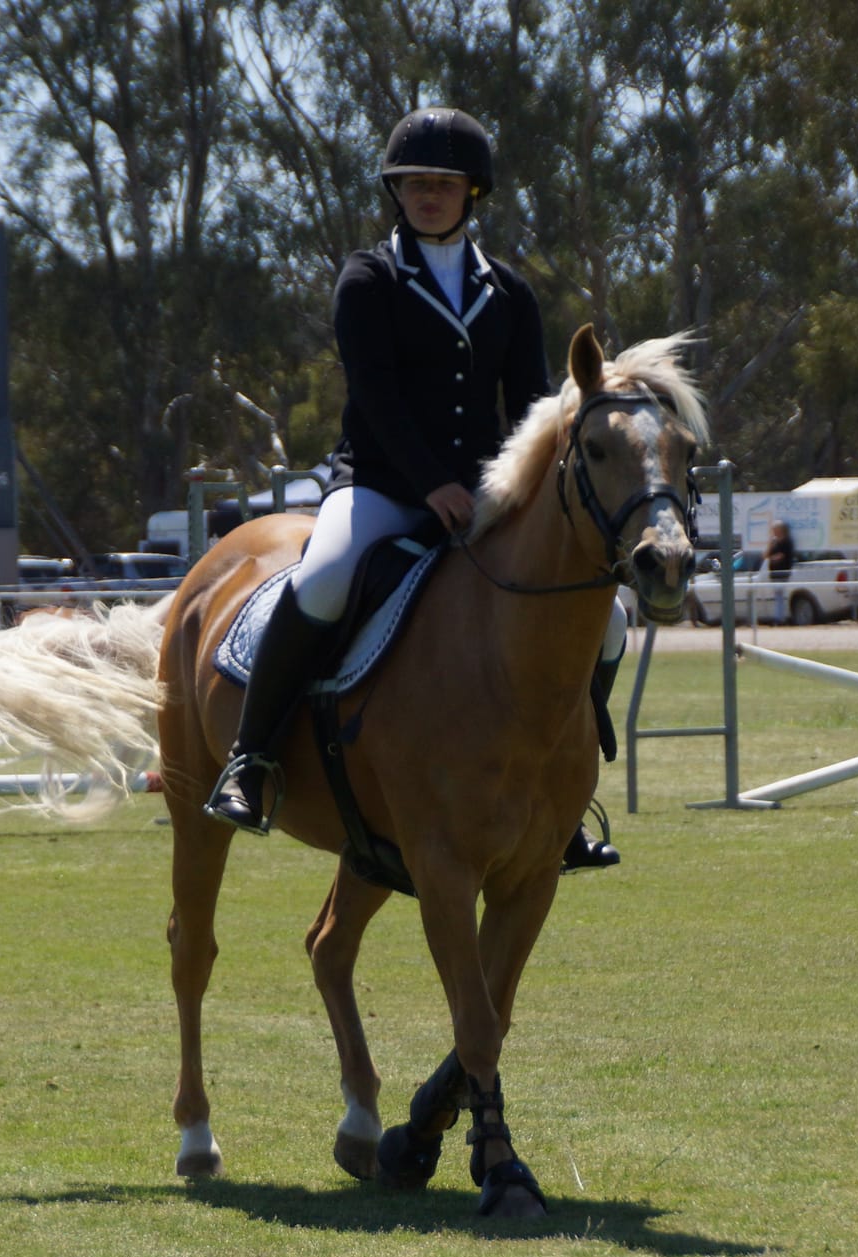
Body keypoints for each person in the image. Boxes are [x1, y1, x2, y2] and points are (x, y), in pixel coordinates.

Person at [203, 107, 624, 872]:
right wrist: (431, 484)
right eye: (413, 184)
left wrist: (520, 495)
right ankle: (252, 758)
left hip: (485, 496)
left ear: (473, 193)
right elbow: (376, 394)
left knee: (613, 619)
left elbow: (531, 405)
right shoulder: (369, 278)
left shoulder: (511, 294)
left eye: (443, 183)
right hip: (383, 483)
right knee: (326, 575)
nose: (428, 195)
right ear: (396, 192)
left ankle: (563, 793)